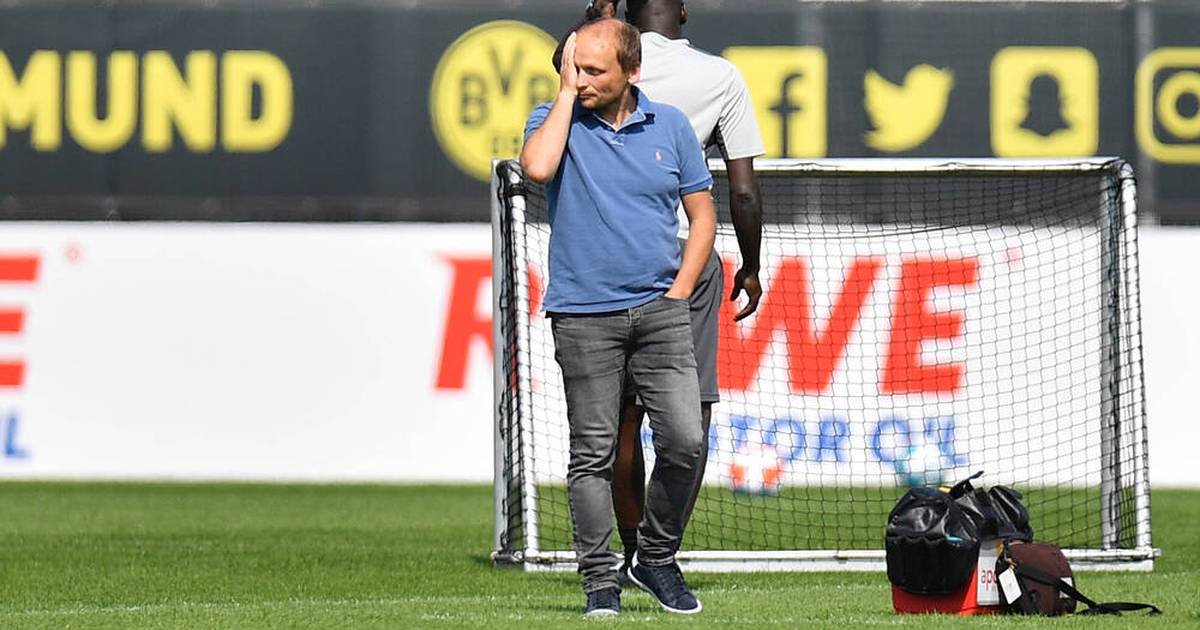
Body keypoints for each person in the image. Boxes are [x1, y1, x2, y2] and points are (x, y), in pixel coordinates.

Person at [560, 0, 767, 580]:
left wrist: (591, 20)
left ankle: (630, 549)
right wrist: (751, 265)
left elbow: (565, 65)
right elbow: (743, 190)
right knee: (689, 414)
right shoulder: (719, 76)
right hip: (684, 257)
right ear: (684, 11)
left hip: (613, 251)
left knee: (621, 417)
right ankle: (658, 554)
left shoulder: (598, 60)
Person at [521, 18, 715, 617]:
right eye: (573, 68)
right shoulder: (552, 118)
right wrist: (564, 94)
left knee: (685, 441)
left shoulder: (671, 126)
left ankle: (653, 558)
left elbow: (703, 216)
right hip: (583, 318)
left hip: (661, 312)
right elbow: (537, 169)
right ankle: (599, 582)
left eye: (593, 71)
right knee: (593, 455)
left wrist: (679, 292)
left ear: (632, 71)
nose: (580, 80)